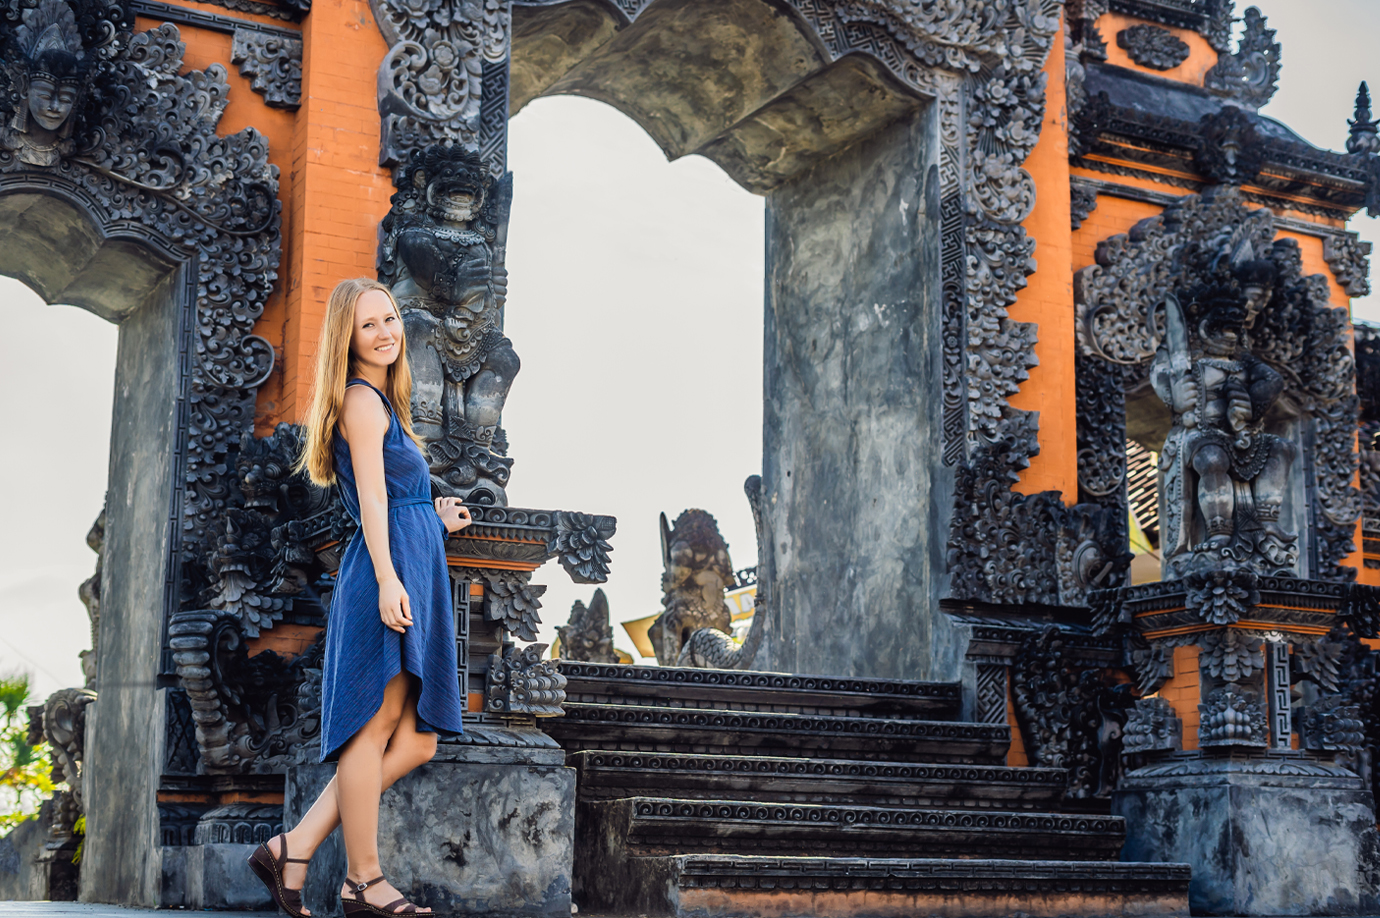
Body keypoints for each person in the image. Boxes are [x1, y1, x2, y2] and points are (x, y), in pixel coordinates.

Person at [248, 277, 471, 917]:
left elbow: (396, 501)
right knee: (372, 729)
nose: (385, 332)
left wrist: (433, 517)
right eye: (369, 324)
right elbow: (371, 501)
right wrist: (388, 579)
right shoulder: (360, 402)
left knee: (417, 738)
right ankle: (362, 881)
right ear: (348, 337)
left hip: (410, 554)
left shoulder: (383, 404)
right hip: (389, 569)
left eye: (391, 318)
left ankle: (295, 845)